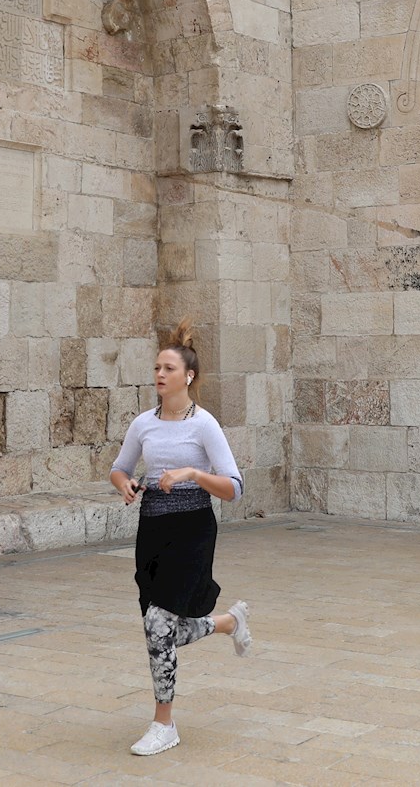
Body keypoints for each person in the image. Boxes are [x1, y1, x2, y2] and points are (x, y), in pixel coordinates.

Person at [108, 322, 253, 757]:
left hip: (192, 529)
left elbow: (234, 487)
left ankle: (163, 724)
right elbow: (119, 467)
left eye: (168, 368)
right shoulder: (143, 424)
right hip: (152, 530)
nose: (159, 375)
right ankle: (226, 623)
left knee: (157, 624)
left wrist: (192, 473)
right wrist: (125, 485)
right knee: (158, 627)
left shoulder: (204, 425)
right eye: (156, 367)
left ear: (187, 376)